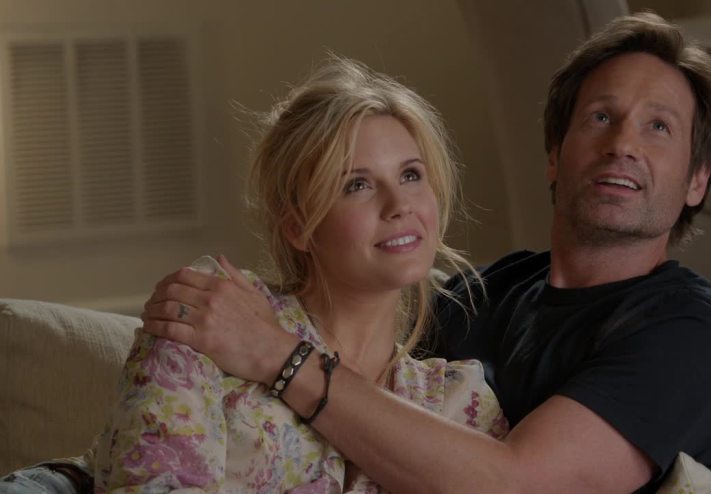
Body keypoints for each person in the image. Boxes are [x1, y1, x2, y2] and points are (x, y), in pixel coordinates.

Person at [141, 12, 711, 493]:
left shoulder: (686, 332)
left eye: (659, 127)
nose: (622, 144)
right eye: (601, 116)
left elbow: (518, 486)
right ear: (554, 156)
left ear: (698, 180)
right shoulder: (475, 297)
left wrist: (279, 355)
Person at [0, 57, 507, 493]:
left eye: (411, 174)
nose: (399, 205)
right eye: (356, 184)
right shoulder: (212, 311)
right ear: (298, 226)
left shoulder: (458, 401)